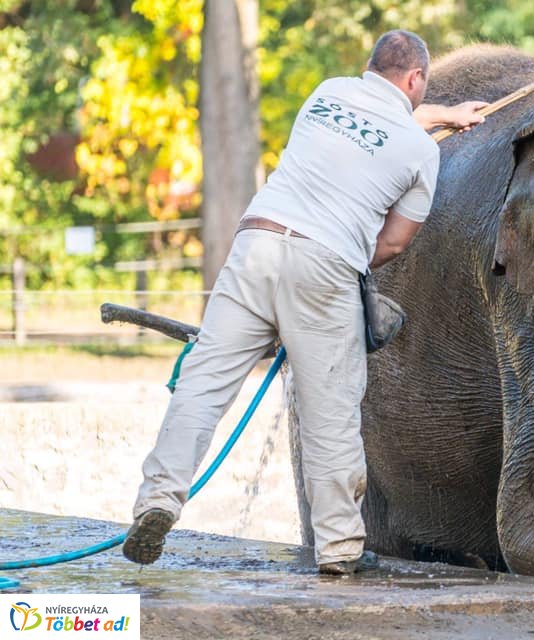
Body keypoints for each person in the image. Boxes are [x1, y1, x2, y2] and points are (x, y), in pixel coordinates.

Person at [123, 30, 487, 575]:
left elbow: (385, 118)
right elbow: (393, 243)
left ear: (372, 67)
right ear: (416, 79)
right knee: (330, 412)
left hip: (255, 245)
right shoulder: (420, 151)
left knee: (203, 383)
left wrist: (447, 114)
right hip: (326, 264)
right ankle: (338, 548)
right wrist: (342, 261)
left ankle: (157, 501)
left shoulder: (327, 93)